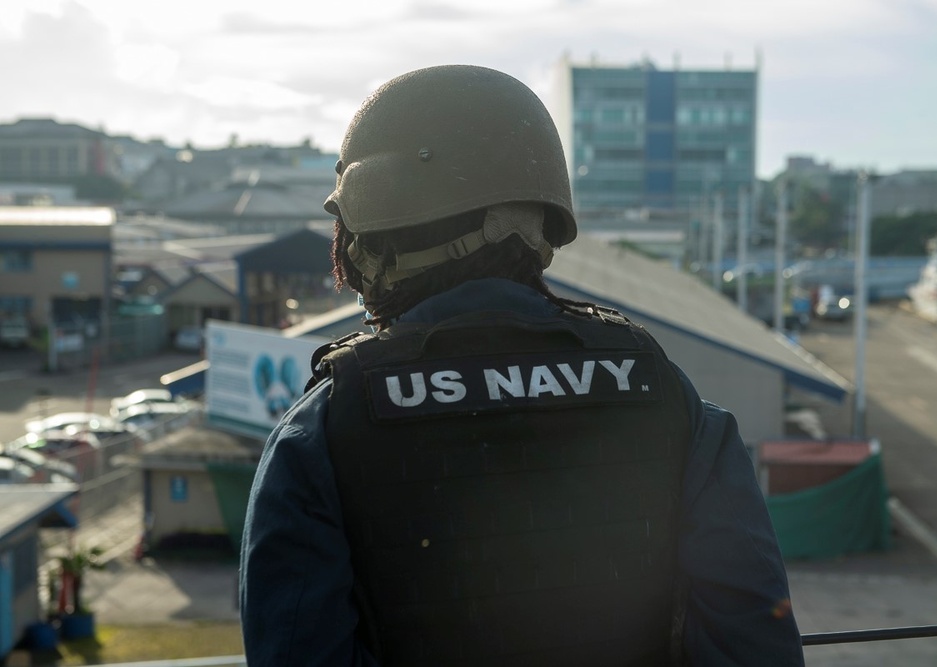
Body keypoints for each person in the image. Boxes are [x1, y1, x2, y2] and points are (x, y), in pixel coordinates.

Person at [239, 64, 804, 666]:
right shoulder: (663, 394)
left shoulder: (323, 430)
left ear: (376, 240)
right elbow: (753, 641)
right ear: (539, 226)